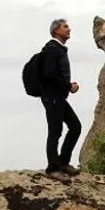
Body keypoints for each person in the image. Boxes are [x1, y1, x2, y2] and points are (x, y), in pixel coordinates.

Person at [40, 18, 82, 182]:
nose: (69, 29)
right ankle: (53, 168)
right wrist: (68, 86)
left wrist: (66, 87)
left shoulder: (58, 49)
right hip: (52, 97)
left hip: (57, 97)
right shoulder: (52, 49)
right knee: (55, 131)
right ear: (56, 30)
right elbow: (49, 74)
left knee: (75, 126)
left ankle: (63, 162)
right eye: (65, 27)